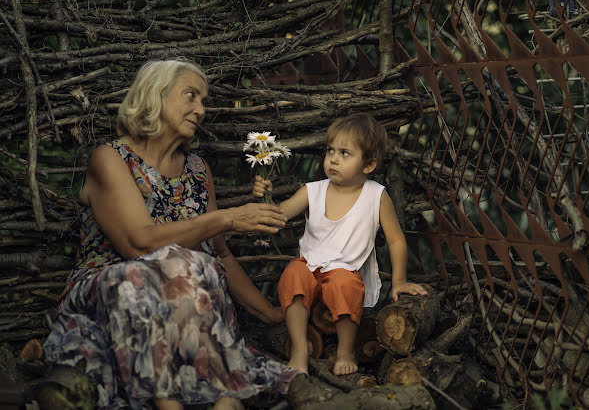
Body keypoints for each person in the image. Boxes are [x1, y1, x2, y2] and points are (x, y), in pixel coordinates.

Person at [43, 59, 301, 410]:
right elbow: (139, 243)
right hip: (114, 293)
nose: (201, 109)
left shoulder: (197, 170)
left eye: (204, 101)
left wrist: (269, 313)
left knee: (199, 264)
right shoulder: (111, 158)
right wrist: (226, 218)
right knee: (183, 260)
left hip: (189, 306)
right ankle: (208, 398)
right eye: (191, 96)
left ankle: (211, 399)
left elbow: (222, 256)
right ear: (155, 96)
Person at [253, 113, 428, 376]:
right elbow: (279, 215)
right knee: (293, 273)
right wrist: (264, 198)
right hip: (310, 268)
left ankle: (346, 350)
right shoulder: (313, 190)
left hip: (346, 271)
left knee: (344, 284)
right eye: (330, 150)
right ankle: (300, 348)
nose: (333, 159)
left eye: (345, 153)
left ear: (368, 164)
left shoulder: (375, 195)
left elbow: (396, 240)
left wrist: (399, 282)